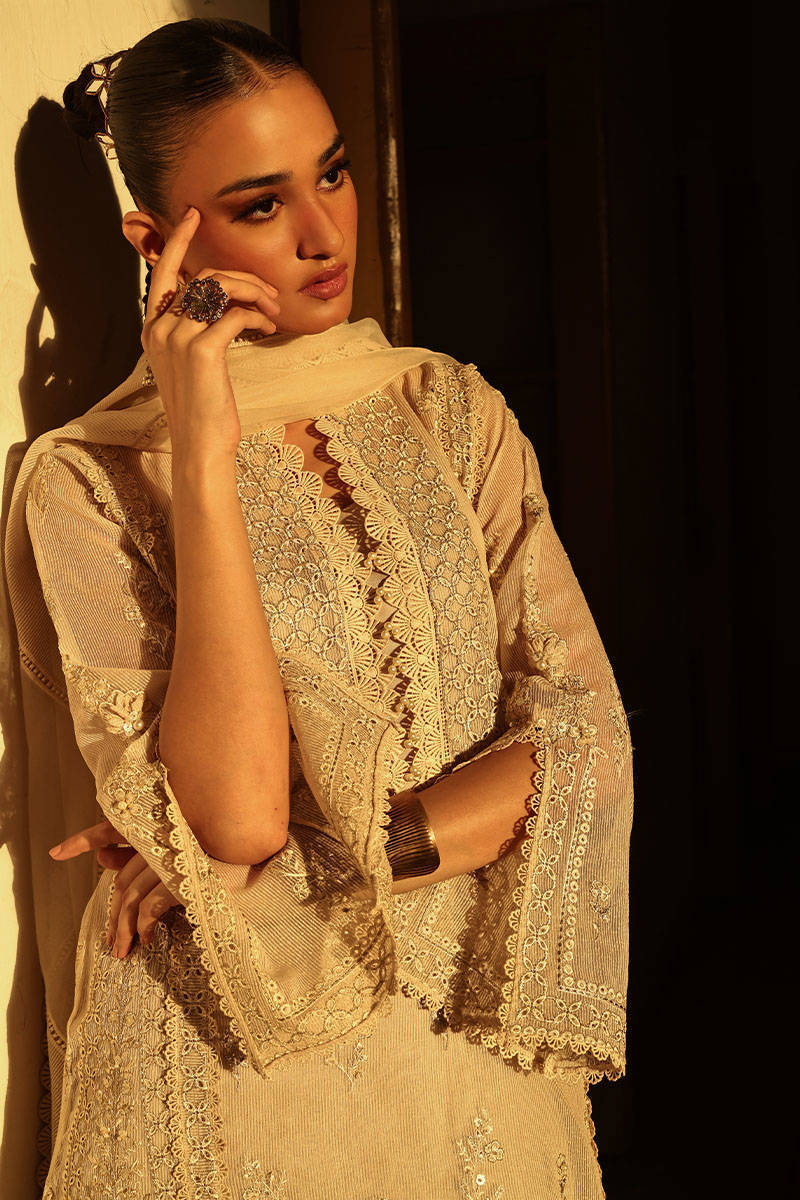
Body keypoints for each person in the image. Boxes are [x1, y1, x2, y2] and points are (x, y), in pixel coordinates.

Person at [4, 17, 634, 1199]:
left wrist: (324, 869)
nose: (321, 231)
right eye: (260, 204)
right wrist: (202, 454)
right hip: (228, 1066)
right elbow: (236, 820)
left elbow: (583, 746)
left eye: (331, 174)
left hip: (467, 1058)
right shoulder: (86, 484)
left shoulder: (450, 415)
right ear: (156, 241)